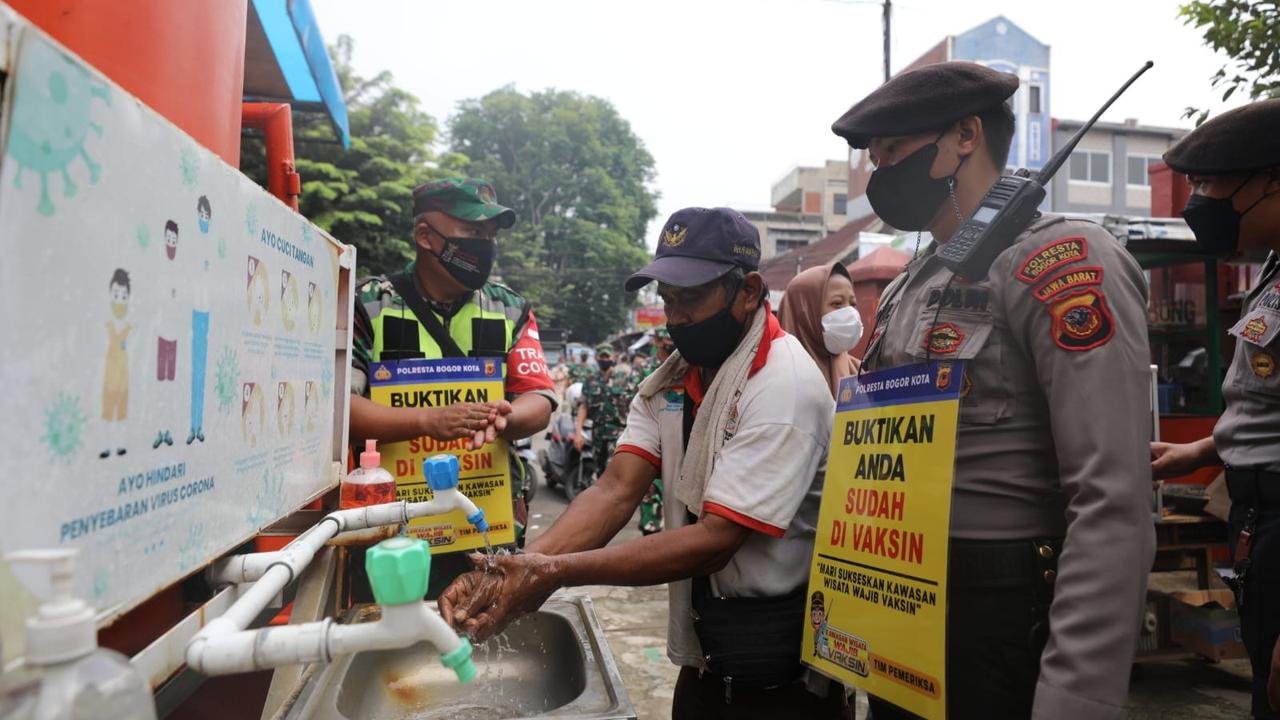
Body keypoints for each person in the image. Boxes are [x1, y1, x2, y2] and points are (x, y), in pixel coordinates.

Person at [830, 61, 1154, 719]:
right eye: (871, 155)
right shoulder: (909, 285)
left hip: (999, 611)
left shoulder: (1059, 260)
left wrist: (1076, 696)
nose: (877, 170)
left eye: (891, 150)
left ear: (966, 136)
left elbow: (1111, 496)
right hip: (902, 610)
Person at [440, 206, 843, 718]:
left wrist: (553, 571)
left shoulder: (782, 384)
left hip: (778, 676)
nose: (675, 317)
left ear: (748, 291)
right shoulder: (672, 382)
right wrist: (514, 571)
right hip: (706, 660)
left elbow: (716, 541)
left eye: (691, 298)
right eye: (667, 299)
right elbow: (615, 491)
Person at [349, 177, 556, 590]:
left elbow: (540, 398)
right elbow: (339, 410)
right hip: (394, 527)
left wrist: (507, 417)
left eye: (490, 235)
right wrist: (427, 421)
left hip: (489, 520)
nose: (485, 245)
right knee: (396, 639)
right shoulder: (369, 304)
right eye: (472, 232)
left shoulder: (509, 308)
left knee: (489, 639)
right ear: (426, 235)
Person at [1149, 98, 1280, 719]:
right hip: (1258, 516)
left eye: (1208, 183)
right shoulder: (1272, 269)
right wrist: (1200, 451)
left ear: (1271, 182)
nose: (1196, 200)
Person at [778, 262, 862, 396]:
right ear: (804, 312)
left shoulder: (860, 375)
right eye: (837, 303)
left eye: (853, 304)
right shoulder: (774, 378)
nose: (850, 312)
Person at [637, 326, 674, 535]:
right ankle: (650, 530)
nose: (666, 343)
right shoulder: (645, 370)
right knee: (651, 492)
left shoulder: (685, 365)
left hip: (675, 441)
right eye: (663, 340)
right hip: (651, 440)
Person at [574, 343, 628, 478]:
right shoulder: (590, 380)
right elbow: (583, 406)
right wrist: (578, 433)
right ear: (596, 358)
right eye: (601, 356)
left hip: (618, 433)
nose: (604, 359)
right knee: (599, 470)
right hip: (597, 433)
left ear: (613, 357)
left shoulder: (623, 379)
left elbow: (633, 405)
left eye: (607, 356)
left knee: (613, 470)